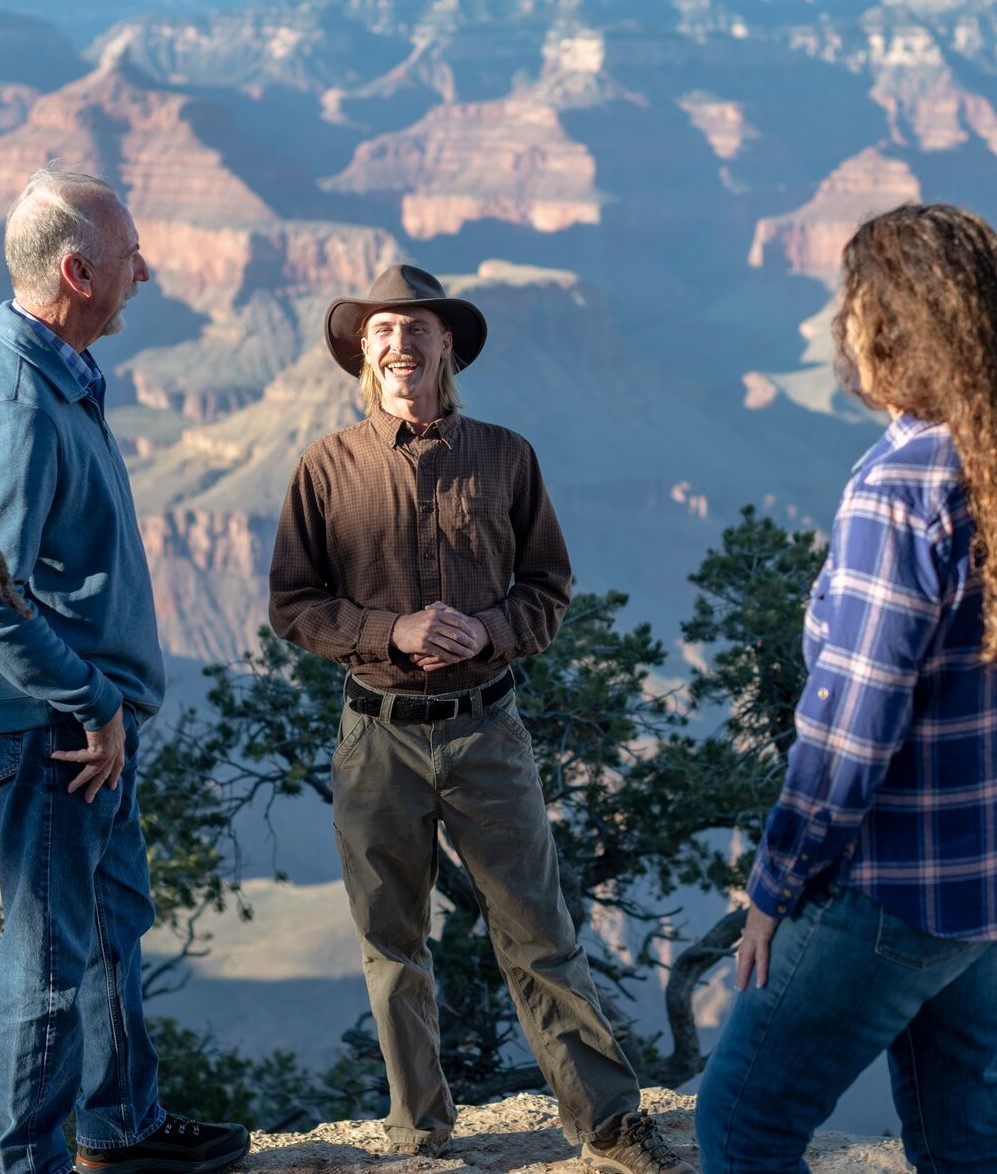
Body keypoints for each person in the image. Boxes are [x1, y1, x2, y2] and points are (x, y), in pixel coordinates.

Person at [269, 264, 695, 1174]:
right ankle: (418, 1133)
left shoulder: (507, 457)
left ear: (446, 344)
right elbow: (295, 605)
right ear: (363, 352)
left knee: (538, 931)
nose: (400, 345)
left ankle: (610, 1125)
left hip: (486, 732)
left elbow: (548, 588)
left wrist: (489, 629)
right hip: (375, 734)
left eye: (416, 328)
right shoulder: (324, 469)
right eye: (382, 330)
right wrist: (394, 629)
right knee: (393, 944)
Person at [695, 203, 997, 1173]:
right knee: (966, 1144)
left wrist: (772, 890)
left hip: (889, 890)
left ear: (884, 327)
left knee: (741, 1121)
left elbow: (850, 733)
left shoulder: (903, 488)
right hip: (983, 890)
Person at [0, 168, 250, 1174]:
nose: (145, 270)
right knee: (53, 958)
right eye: (128, 255)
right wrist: (92, 699)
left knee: (108, 925)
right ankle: (25, 1159)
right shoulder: (22, 401)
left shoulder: (54, 371)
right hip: (50, 732)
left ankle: (122, 1126)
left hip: (83, 728)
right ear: (76, 270)